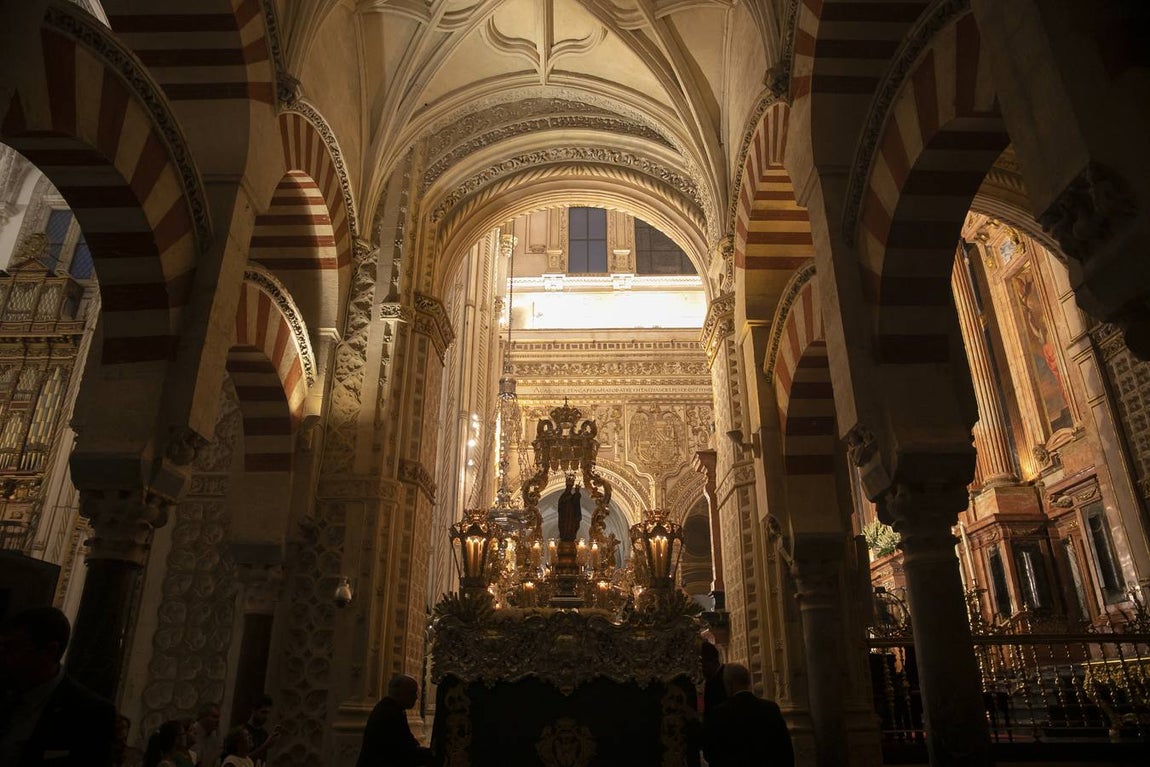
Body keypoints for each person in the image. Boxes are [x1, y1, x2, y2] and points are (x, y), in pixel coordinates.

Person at [0, 605, 116, 766]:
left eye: (11, 648)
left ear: (49, 651)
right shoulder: (5, 691)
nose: (2, 655)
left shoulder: (91, 713)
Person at [702, 663, 793, 767]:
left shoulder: (720, 713)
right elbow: (786, 750)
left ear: (729, 684)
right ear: (748, 682)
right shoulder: (770, 709)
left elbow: (710, 753)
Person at [356, 674, 432, 767]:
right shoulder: (389, 713)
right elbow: (403, 750)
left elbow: (408, 741)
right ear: (398, 693)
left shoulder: (394, 709)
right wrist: (431, 755)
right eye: (412, 693)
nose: (416, 697)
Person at [241, 695, 280, 766]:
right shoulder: (242, 732)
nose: (266, 717)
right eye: (263, 712)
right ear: (253, 710)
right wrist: (265, 746)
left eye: (268, 713)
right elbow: (240, 760)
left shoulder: (264, 734)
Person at [699, 641, 727, 723]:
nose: (701, 670)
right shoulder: (709, 679)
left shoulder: (726, 677)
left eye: (703, 666)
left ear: (713, 661)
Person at [557, 475, 582, 542]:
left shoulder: (572, 496)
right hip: (564, 517)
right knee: (565, 528)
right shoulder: (563, 496)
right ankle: (564, 536)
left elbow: (576, 503)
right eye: (568, 487)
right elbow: (560, 506)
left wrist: (577, 492)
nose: (569, 488)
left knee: (571, 528)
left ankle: (571, 535)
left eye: (570, 487)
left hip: (571, 517)